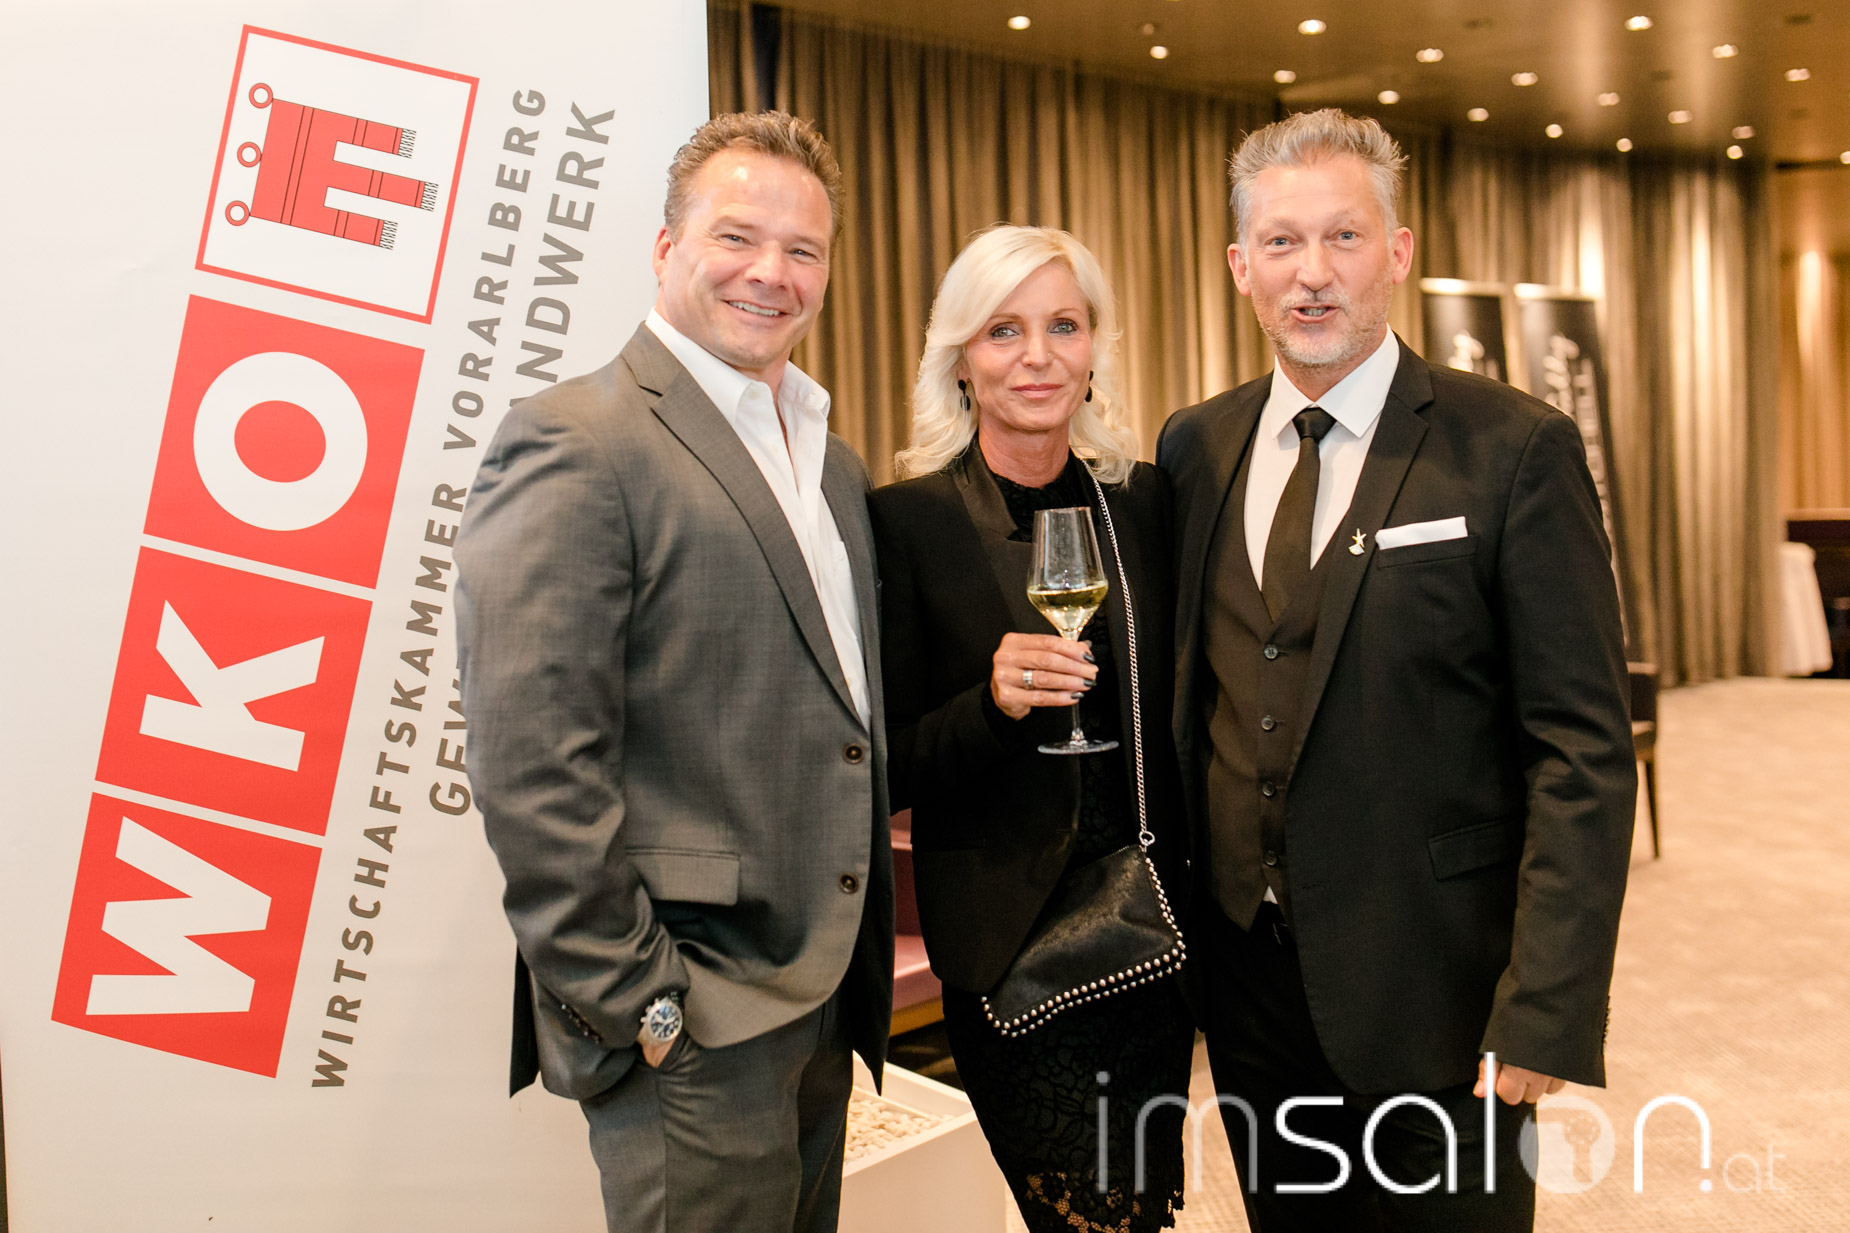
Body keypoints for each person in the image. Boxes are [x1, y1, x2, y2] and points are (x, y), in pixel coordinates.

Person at [1158, 109, 1635, 1230]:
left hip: (1443, 994)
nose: (1312, 273)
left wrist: (1546, 1004)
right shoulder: (1195, 448)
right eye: (1281, 243)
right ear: (1239, 266)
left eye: (1344, 237)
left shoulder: (1513, 447)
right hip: (1249, 994)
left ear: (1398, 251)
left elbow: (1580, 747)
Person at [454, 112, 893, 1233]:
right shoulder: (576, 440)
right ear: (664, 248)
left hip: (820, 1002)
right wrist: (643, 1006)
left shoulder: (831, 461)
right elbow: (531, 764)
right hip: (692, 1022)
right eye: (736, 236)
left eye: (803, 250)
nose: (771, 272)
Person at [870, 226, 1196, 1233]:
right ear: (960, 357)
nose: (1037, 356)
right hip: (1013, 954)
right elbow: (881, 763)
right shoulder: (907, 523)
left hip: (1146, 933)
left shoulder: (1143, 503)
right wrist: (992, 705)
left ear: (1094, 345)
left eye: (1063, 325)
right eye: (1003, 330)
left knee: (1139, 1211)